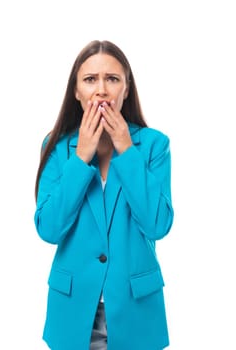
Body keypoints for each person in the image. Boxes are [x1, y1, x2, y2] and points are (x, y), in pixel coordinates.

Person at [34, 40, 174, 350]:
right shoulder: (56, 147)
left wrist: (126, 149)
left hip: (137, 312)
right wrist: (80, 159)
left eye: (112, 79)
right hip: (72, 312)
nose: (101, 90)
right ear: (76, 91)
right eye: (90, 79)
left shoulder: (154, 145)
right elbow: (49, 228)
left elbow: (158, 225)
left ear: (126, 88)